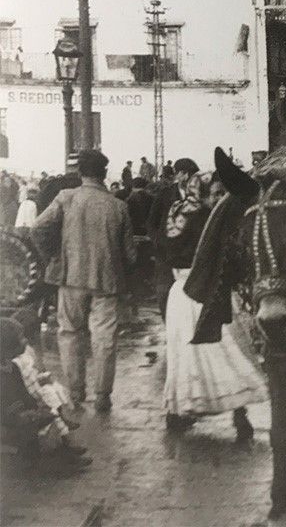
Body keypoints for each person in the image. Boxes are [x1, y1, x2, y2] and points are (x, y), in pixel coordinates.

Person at [31, 149, 136, 413]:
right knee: (105, 339)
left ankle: (76, 392)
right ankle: (103, 396)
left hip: (71, 277)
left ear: (80, 173)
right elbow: (131, 254)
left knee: (69, 334)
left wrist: (54, 256)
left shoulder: (66, 198)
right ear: (104, 174)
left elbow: (38, 228)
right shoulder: (119, 206)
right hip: (108, 281)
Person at [162, 173, 265, 438]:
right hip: (203, 292)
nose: (220, 199)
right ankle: (238, 414)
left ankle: (178, 411)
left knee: (186, 357)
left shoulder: (180, 211)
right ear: (204, 192)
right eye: (216, 194)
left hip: (185, 293)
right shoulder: (208, 221)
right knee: (229, 351)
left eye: (222, 194)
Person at [0, 318, 91, 475]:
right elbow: (7, 401)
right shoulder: (3, 373)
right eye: (21, 338)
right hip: (8, 416)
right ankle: (46, 461)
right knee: (36, 424)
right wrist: (23, 413)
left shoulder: (11, 367)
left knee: (50, 412)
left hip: (17, 411)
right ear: (8, 346)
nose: (25, 340)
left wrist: (35, 405)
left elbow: (22, 392)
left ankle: (63, 452)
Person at [147, 158, 200, 319]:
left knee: (192, 300)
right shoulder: (165, 194)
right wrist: (160, 242)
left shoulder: (200, 195)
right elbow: (151, 223)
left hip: (191, 256)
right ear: (181, 175)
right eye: (190, 175)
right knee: (164, 294)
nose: (193, 179)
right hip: (166, 256)